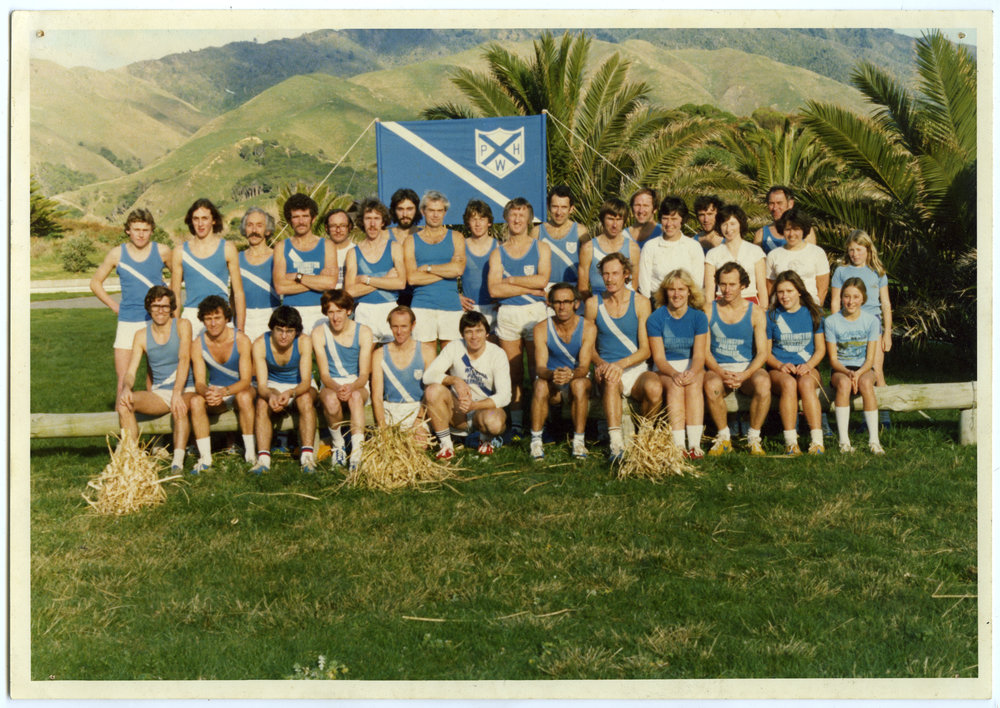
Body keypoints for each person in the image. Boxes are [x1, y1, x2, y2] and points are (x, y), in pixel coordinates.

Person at [585, 252, 662, 462]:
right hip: (607, 368)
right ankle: (616, 444)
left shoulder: (641, 302)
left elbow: (646, 350)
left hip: (634, 367)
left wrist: (620, 364)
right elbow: (588, 347)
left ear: (626, 274)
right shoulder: (593, 304)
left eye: (615, 273)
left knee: (654, 388)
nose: (609, 279)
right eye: (605, 274)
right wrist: (601, 364)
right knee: (611, 379)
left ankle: (644, 437)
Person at [91, 208, 173, 399]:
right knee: (124, 380)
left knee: (155, 378)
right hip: (128, 321)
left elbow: (180, 273)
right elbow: (95, 283)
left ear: (151, 230)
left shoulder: (162, 250)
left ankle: (155, 425)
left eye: (145, 230)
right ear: (128, 230)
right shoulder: (116, 254)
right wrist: (114, 306)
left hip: (156, 321)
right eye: (136, 229)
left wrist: (167, 293)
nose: (141, 234)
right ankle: (122, 427)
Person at [488, 196, 551, 438]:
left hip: (534, 315)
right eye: (512, 214)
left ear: (528, 219)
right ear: (506, 218)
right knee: (513, 372)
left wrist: (511, 280)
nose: (516, 219)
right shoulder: (498, 253)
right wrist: (529, 288)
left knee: (538, 371)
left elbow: (542, 280)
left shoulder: (540, 247)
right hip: (508, 315)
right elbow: (494, 289)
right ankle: (515, 424)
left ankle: (539, 424)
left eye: (521, 215)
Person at [116, 285, 196, 473]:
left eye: (165, 306)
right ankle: (131, 456)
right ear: (149, 308)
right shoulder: (141, 335)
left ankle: (177, 461)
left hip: (185, 388)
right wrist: (127, 388)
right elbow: (130, 372)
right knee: (124, 403)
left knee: (180, 408)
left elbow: (184, 359)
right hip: (160, 393)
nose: (160, 311)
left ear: (171, 308)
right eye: (156, 306)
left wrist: (177, 393)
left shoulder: (183, 325)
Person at [703, 262, 771, 456]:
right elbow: (705, 352)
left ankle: (754, 438)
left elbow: (762, 353)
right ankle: (724, 437)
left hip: (746, 369)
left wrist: (745, 374)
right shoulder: (708, 310)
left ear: (743, 285)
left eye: (732, 284)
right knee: (711, 385)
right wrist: (720, 372)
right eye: (722, 284)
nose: (726, 289)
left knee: (764, 382)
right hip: (719, 368)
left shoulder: (755, 312)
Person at [423, 311, 511, 458]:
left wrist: (474, 406)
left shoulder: (497, 353)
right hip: (458, 410)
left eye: (479, 331)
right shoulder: (454, 347)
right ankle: (446, 445)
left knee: (494, 423)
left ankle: (485, 439)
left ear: (487, 333)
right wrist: (454, 380)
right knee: (433, 390)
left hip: (483, 409)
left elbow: (505, 396)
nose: (474, 336)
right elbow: (428, 376)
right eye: (468, 332)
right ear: (462, 334)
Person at [830, 229, 893, 428]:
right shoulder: (841, 271)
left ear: (868, 249)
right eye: (851, 250)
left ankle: (883, 417)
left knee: (876, 369)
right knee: (847, 369)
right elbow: (834, 301)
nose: (855, 254)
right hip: (848, 323)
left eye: (859, 249)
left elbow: (885, 303)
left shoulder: (878, 272)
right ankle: (847, 417)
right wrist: (836, 324)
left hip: (872, 324)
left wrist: (888, 332)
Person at [529, 283, 596, 460]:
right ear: (550, 304)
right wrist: (553, 375)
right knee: (540, 385)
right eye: (557, 302)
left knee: (580, 384)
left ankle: (579, 442)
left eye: (567, 301)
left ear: (576, 303)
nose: (562, 306)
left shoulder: (588, 327)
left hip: (576, 380)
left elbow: (584, 366)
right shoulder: (541, 328)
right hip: (552, 382)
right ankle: (536, 441)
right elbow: (540, 367)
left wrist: (571, 374)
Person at [187, 295, 256, 468]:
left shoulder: (241, 340)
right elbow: (200, 383)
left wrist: (223, 392)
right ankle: (205, 459)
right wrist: (208, 393)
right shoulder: (197, 344)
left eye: (217, 318)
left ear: (226, 318)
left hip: (241, 388)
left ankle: (250, 453)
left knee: (244, 397)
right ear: (202, 321)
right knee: (196, 401)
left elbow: (246, 380)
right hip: (218, 391)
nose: (213, 323)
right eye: (208, 319)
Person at [647, 269, 709, 459]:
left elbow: (699, 355)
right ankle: (679, 444)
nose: (676, 294)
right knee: (675, 387)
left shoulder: (699, 317)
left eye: (681, 289)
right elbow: (659, 358)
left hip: (692, 365)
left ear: (689, 291)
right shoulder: (656, 318)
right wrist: (674, 373)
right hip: (666, 368)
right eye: (672, 289)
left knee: (694, 384)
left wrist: (692, 371)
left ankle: (695, 445)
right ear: (665, 292)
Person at [250, 305, 317, 474]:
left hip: (298, 384)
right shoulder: (260, 343)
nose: (284, 336)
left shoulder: (304, 341)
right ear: (272, 328)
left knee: (305, 399)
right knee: (261, 404)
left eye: (290, 331)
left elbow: (306, 382)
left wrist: (291, 393)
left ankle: (307, 458)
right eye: (279, 330)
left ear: (297, 332)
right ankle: (263, 459)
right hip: (273, 384)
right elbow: (262, 386)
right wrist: (271, 395)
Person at [766, 270, 826, 456]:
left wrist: (808, 365)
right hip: (779, 368)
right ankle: (791, 442)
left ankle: (817, 441)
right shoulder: (772, 316)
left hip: (807, 367)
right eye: (781, 292)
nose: (785, 296)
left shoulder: (814, 313)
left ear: (799, 291)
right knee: (789, 384)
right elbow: (765, 353)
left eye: (789, 291)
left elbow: (820, 349)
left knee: (807, 383)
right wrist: (779, 366)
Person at [312, 289, 373, 471]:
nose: (335, 317)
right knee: (331, 400)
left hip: (357, 384)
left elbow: (363, 375)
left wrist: (351, 387)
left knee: (354, 397)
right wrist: (338, 388)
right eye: (331, 312)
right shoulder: (319, 332)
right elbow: (324, 374)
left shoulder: (363, 331)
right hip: (332, 383)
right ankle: (338, 446)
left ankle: (356, 452)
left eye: (339, 311)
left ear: (348, 311)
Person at [825, 277, 884, 454]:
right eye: (846, 296)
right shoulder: (831, 321)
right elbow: (833, 360)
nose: (851, 301)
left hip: (864, 367)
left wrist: (858, 374)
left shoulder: (872, 321)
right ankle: (844, 442)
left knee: (866, 383)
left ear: (863, 298)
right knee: (843, 383)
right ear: (841, 297)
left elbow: (870, 358)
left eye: (856, 297)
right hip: (841, 368)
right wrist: (849, 373)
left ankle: (874, 441)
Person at [171, 198, 245, 337]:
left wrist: (240, 328)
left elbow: (239, 293)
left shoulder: (228, 248)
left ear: (213, 220)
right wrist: (174, 325)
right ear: (191, 221)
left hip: (220, 315)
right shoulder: (180, 251)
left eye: (205, 218)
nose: (200, 224)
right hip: (192, 316)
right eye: (196, 219)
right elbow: (175, 294)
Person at [404, 190, 466, 347]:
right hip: (422, 307)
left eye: (440, 210)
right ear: (423, 211)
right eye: (431, 210)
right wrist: (447, 271)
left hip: (451, 307)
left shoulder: (456, 237)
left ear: (445, 212)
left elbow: (458, 270)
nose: (435, 215)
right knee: (427, 364)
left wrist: (428, 268)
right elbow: (412, 278)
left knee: (454, 362)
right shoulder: (411, 241)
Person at [344, 198, 406, 345]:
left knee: (392, 361)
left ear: (383, 221)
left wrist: (367, 279)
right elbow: (350, 291)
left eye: (377, 219)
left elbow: (401, 283)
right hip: (364, 310)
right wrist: (386, 278)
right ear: (362, 221)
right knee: (365, 363)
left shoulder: (395, 247)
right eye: (368, 219)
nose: (372, 224)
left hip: (389, 307)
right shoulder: (353, 253)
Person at [273, 192, 338, 331]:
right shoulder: (282, 247)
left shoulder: (327, 245)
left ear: (313, 218)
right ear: (290, 220)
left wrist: (297, 276)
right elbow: (280, 287)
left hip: (322, 312)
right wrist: (318, 281)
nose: (301, 221)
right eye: (296, 217)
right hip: (292, 313)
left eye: (305, 216)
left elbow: (331, 283)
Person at [371, 306, 437, 437]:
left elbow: (430, 391)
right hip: (390, 408)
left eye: (404, 326)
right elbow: (377, 396)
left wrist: (419, 419)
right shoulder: (379, 354)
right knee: (390, 450)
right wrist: (382, 426)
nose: (399, 331)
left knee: (419, 445)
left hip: (418, 408)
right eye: (395, 326)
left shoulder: (427, 351)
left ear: (413, 326)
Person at [636, 196, 705, 299]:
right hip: (657, 304)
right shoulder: (650, 247)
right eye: (665, 218)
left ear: (682, 220)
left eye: (674, 219)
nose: (669, 224)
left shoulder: (693, 247)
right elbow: (644, 285)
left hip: (686, 304)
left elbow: (697, 283)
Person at [704, 203, 767, 305]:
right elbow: (709, 292)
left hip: (750, 304)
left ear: (740, 224)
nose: (728, 229)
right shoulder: (712, 254)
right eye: (724, 224)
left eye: (733, 224)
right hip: (722, 305)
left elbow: (762, 288)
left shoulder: (755, 251)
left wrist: (763, 311)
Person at [765, 207, 829, 307]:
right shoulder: (773, 255)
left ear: (803, 230)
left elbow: (822, 289)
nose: (791, 234)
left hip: (809, 308)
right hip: (781, 309)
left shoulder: (817, 253)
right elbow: (770, 288)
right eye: (788, 229)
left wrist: (815, 310)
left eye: (796, 229)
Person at [578, 197, 640, 300]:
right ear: (602, 219)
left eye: (619, 219)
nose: (615, 225)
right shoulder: (588, 248)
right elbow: (582, 288)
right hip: (598, 307)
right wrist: (598, 308)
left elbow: (634, 285)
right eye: (610, 219)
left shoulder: (633, 248)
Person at [238, 207, 281, 342]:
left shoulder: (277, 257)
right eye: (250, 225)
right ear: (245, 230)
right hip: (244, 318)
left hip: (271, 316)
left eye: (259, 225)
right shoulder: (236, 258)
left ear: (267, 230)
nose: (254, 230)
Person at [533, 185, 589, 287]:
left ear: (571, 209)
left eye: (563, 207)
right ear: (548, 206)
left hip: (572, 289)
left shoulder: (581, 231)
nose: (559, 212)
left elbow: (588, 265)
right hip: (544, 290)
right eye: (555, 207)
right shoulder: (536, 232)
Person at [459, 199, 500, 331]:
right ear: (467, 222)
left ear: (489, 222)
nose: (477, 224)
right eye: (473, 219)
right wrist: (456, 296)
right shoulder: (460, 246)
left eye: (481, 219)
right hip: (469, 309)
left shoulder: (499, 247)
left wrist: (504, 299)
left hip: (494, 308)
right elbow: (445, 275)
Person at [753, 186, 816, 254]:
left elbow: (812, 257)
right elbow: (755, 261)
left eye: (779, 203)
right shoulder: (761, 234)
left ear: (790, 204)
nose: (775, 208)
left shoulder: (806, 231)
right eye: (771, 203)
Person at [389, 187, 421, 307]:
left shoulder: (425, 236)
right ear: (394, 210)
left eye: (409, 209)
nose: (405, 214)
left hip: (420, 296)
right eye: (400, 209)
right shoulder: (384, 236)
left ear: (417, 210)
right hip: (391, 298)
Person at [323, 208, 355, 290]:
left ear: (349, 227)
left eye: (343, 226)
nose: (338, 230)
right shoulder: (319, 252)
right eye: (333, 226)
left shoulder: (358, 252)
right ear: (326, 228)